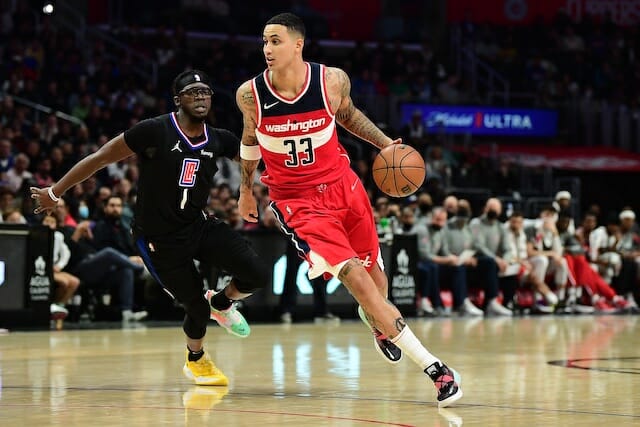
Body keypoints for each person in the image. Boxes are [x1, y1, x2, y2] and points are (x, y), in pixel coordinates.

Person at [235, 13, 462, 407]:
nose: (267, 49)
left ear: (298, 44)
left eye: (275, 41)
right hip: (298, 202)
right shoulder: (250, 95)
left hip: (344, 187)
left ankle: (379, 326)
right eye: (264, 42)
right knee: (358, 281)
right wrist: (245, 190)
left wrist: (385, 143)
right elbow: (249, 140)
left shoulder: (331, 81)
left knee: (376, 281)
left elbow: (348, 115)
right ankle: (437, 370)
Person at [31, 69, 269, 386]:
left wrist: (250, 186)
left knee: (257, 273)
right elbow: (100, 158)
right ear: (178, 100)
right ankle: (196, 360)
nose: (200, 96)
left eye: (205, 92)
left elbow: (256, 158)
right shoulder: (154, 131)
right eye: (193, 92)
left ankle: (222, 303)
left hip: (198, 225)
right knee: (196, 308)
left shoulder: (220, 138)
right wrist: (55, 191)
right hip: (158, 239)